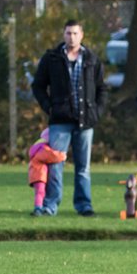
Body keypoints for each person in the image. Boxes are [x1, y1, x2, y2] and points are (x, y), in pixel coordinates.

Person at [31, 20, 106, 216]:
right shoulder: (52, 58)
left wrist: (96, 112)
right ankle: (50, 206)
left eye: (75, 33)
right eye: (68, 33)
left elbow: (102, 88)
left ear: (82, 35)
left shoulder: (91, 59)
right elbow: (38, 86)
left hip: (85, 121)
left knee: (83, 167)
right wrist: (49, 107)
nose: (71, 37)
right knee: (55, 166)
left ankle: (84, 205)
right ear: (63, 35)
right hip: (60, 121)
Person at [27, 127, 67, 217]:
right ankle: (37, 208)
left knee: (39, 192)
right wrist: (62, 156)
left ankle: (39, 207)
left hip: (35, 174)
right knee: (40, 192)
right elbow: (51, 156)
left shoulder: (37, 147)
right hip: (39, 174)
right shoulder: (43, 148)